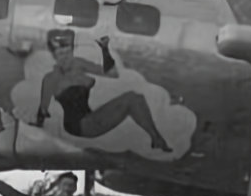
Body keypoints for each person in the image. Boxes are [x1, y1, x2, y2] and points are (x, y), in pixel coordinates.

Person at [34, 29, 172, 152]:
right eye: (60, 54)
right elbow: (43, 109)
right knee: (132, 99)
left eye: (68, 52)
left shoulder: (79, 64)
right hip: (78, 125)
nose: (65, 57)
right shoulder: (50, 79)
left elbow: (111, 73)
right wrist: (38, 125)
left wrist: (104, 49)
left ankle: (156, 138)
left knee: (135, 97)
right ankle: (157, 139)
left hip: (90, 118)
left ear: (72, 50)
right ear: (53, 55)